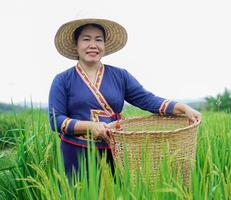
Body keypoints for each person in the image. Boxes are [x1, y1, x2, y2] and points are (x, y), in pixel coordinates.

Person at [48, 18, 201, 178]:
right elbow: (56, 120)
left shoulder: (120, 76)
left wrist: (184, 108)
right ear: (76, 44)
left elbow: (148, 100)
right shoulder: (63, 80)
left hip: (115, 152)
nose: (93, 45)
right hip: (76, 153)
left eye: (98, 39)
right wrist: (91, 126)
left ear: (104, 45)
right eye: (86, 39)